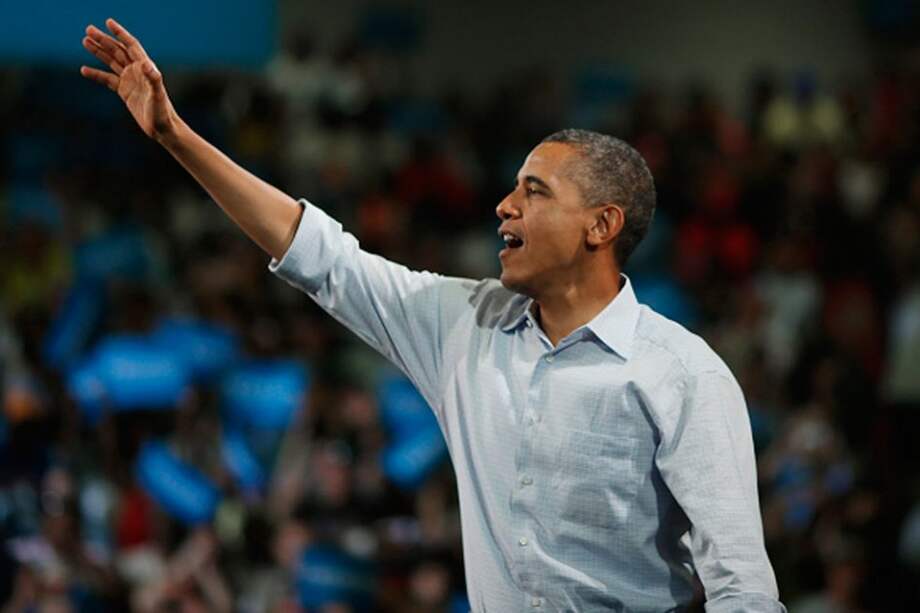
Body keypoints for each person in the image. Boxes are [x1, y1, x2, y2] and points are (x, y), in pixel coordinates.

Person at [80, 18, 786, 612]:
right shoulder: (463, 327)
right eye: (513, 188)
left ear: (601, 225)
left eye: (535, 191)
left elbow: (742, 588)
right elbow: (321, 255)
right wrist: (175, 135)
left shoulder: (683, 374)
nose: (505, 205)